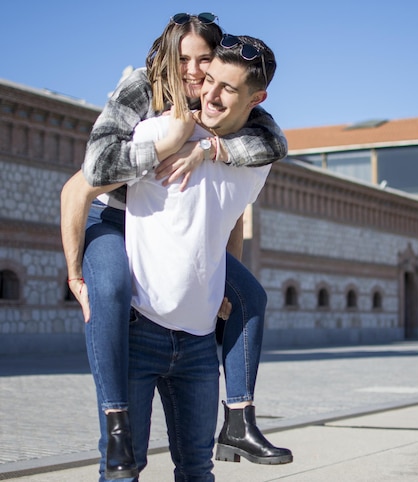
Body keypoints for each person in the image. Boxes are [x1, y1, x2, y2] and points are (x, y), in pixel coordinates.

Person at [60, 14, 290, 481]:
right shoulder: (143, 91)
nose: (193, 71)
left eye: (204, 60)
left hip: (180, 238)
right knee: (109, 291)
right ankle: (116, 416)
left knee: (251, 297)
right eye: (183, 59)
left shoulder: (224, 111)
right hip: (113, 215)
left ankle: (240, 417)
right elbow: (89, 174)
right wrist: (166, 144)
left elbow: (271, 142)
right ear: (167, 58)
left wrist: (207, 149)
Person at [122, 34, 281, 479]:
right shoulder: (161, 131)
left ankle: (240, 419)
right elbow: (85, 183)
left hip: (195, 344)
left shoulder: (257, 157)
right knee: (122, 469)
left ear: (257, 98)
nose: (209, 93)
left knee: (197, 470)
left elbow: (231, 219)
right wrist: (78, 275)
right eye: (207, 80)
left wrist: (221, 280)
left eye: (227, 88)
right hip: (140, 326)